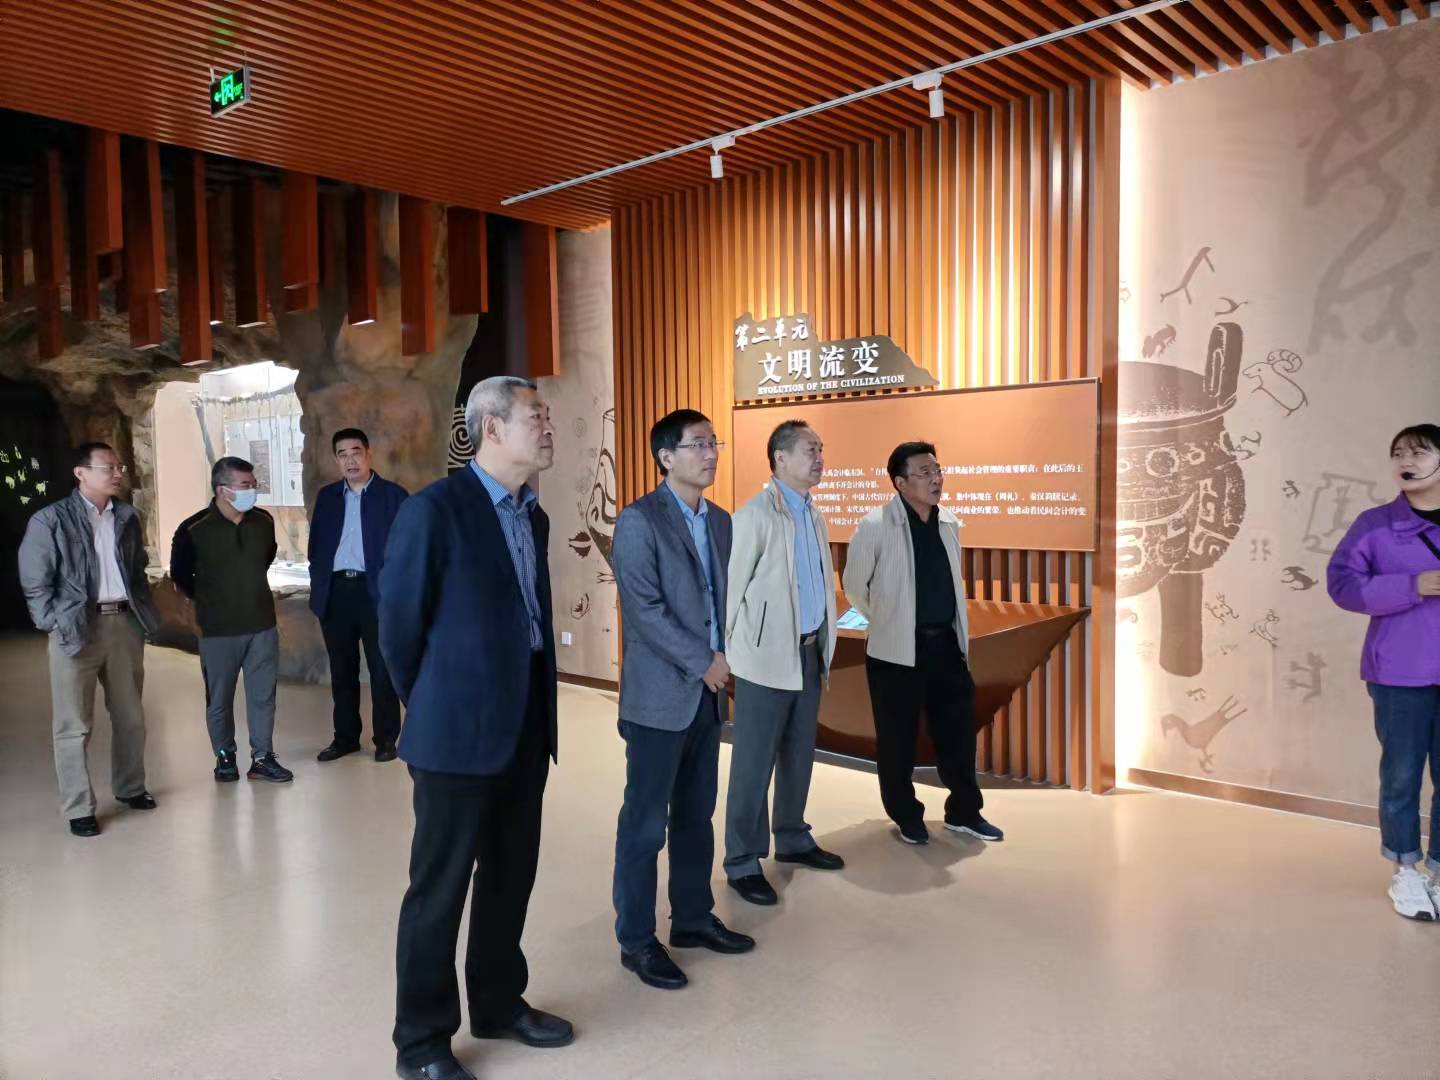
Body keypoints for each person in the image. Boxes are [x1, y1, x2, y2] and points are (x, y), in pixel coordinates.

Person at [381, 376, 573, 1080]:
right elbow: (398, 628)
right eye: (535, 416)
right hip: (455, 733)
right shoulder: (436, 510)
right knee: (439, 890)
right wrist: (432, 701)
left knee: (510, 875)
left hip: (524, 725)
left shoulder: (532, 515)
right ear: (491, 428)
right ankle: (422, 1042)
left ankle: (497, 1002)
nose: (548, 427)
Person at [611, 409, 754, 991]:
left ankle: (693, 918)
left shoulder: (720, 521)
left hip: (707, 696)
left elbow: (725, 601)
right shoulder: (639, 521)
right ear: (666, 457)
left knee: (696, 815)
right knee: (645, 824)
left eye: (714, 442)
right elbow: (644, 611)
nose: (711, 453)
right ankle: (637, 940)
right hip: (659, 697)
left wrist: (727, 659)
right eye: (698, 444)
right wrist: (705, 661)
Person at [842, 441, 1002, 847]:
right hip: (895, 652)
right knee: (897, 740)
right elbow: (854, 586)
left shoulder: (948, 522)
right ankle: (906, 814)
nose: (936, 479)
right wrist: (888, 622)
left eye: (937, 470)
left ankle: (964, 812)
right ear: (900, 483)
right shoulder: (876, 525)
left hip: (945, 646)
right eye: (925, 473)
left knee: (958, 735)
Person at [723, 419, 844, 907]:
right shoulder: (753, 516)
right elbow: (730, 595)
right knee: (753, 763)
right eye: (810, 450)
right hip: (764, 658)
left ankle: (792, 836)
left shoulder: (813, 514)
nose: (820, 459)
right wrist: (732, 658)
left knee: (798, 752)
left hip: (808, 652)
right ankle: (742, 860)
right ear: (780, 459)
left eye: (821, 449)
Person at [18, 442, 160, 837]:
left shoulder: (127, 517)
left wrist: (141, 616)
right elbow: (35, 581)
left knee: (131, 716)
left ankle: (131, 787)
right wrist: (53, 623)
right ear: (81, 473)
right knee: (73, 724)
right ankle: (79, 807)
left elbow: (136, 570)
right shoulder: (50, 520)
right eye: (107, 467)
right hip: (75, 627)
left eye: (119, 467)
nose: (117, 473)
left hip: (124, 625)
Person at [1327, 423, 1440, 921]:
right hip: (1399, 670)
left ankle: (1438, 869)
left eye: (1419, 452)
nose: (1405, 461)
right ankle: (1406, 871)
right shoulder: (1374, 526)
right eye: (1398, 453)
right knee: (1401, 775)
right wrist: (1414, 585)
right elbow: (1343, 586)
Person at [171, 456, 293, 784]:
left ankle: (263, 758)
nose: (252, 490)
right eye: (245, 485)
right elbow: (181, 576)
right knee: (219, 699)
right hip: (218, 630)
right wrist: (213, 600)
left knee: (263, 696)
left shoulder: (263, 522)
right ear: (222, 490)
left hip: (262, 625)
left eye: (254, 484)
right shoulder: (193, 529)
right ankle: (224, 757)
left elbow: (264, 558)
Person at [308, 428, 409, 763]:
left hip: (377, 594)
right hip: (337, 593)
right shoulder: (328, 498)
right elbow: (316, 547)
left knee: (382, 670)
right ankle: (346, 738)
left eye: (355, 452)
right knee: (342, 671)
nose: (350, 460)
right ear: (336, 460)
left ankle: (386, 739)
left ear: (368, 453)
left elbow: (408, 549)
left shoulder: (394, 496)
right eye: (342, 454)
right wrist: (320, 585)